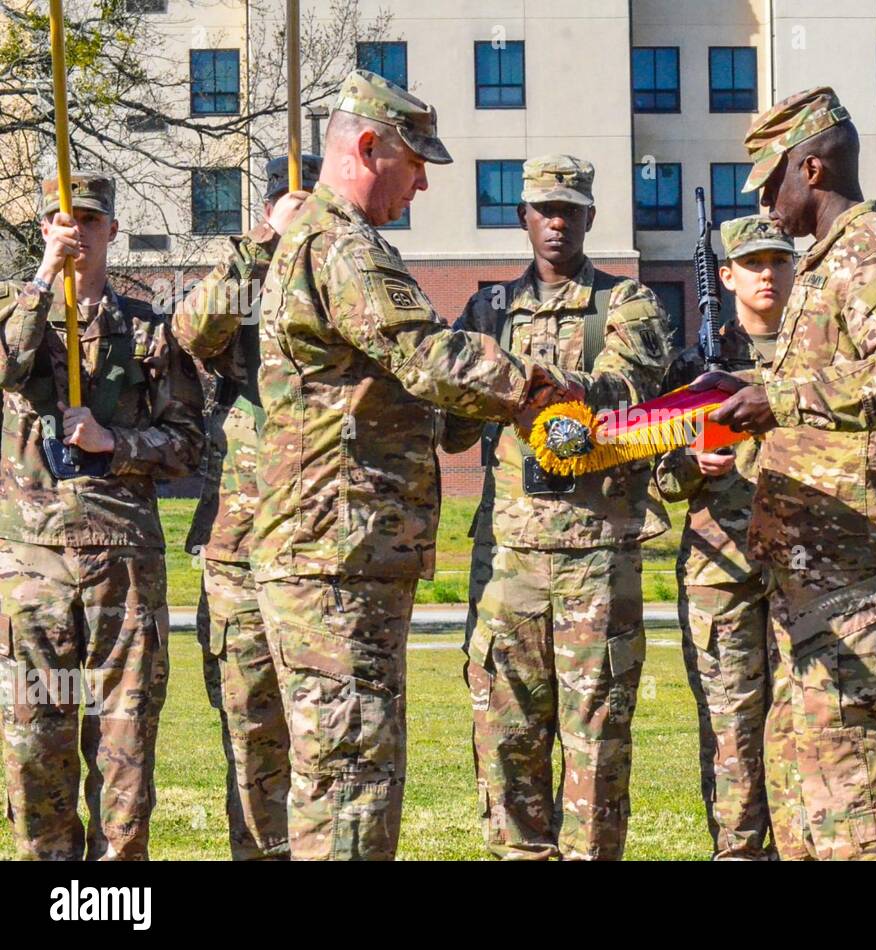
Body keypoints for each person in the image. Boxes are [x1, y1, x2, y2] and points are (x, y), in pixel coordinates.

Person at [250, 71, 572, 860]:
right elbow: (424, 354)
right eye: (416, 162)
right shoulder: (341, 245)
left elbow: (406, 390)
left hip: (344, 553)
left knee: (353, 773)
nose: (424, 183)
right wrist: (534, 387)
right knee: (349, 784)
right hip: (333, 557)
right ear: (368, 148)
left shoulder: (333, 243)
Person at [698, 86, 876, 860]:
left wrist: (780, 397)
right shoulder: (824, 262)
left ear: (811, 167)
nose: (766, 202)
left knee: (853, 788)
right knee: (806, 784)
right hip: (810, 567)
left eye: (771, 183)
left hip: (855, 570)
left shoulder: (873, 248)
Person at [446, 154, 671, 860]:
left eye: (569, 211)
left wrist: (521, 381)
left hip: (595, 562)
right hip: (507, 564)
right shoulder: (487, 311)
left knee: (596, 746)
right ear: (523, 218)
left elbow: (625, 391)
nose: (555, 223)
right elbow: (449, 424)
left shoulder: (626, 304)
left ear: (589, 220)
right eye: (543, 210)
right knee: (504, 741)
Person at [0, 171, 205, 859]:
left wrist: (115, 442)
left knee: (124, 742)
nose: (76, 231)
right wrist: (41, 277)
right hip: (35, 567)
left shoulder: (148, 331)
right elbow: (5, 367)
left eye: (89, 220)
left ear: (112, 230)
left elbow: (188, 446)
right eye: (62, 220)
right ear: (43, 228)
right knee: (36, 742)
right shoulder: (14, 310)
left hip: (122, 561)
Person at [172, 154, 319, 860]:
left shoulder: (352, 281)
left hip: (322, 544)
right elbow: (194, 332)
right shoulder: (245, 292)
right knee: (249, 725)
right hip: (238, 545)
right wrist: (264, 242)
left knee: (327, 736)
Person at [654, 214, 793, 859]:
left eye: (779, 260)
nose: (768, 273)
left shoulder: (819, 356)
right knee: (731, 727)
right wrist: (691, 462)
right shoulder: (694, 364)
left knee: (805, 730)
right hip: (722, 571)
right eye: (754, 263)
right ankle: (737, 851)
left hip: (805, 569)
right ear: (728, 276)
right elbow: (658, 474)